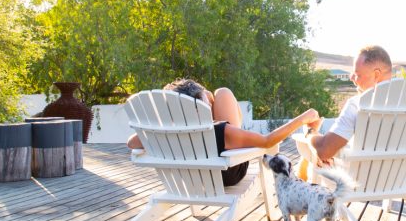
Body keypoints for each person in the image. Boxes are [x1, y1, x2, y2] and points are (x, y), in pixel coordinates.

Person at [127, 78, 320, 186]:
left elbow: (132, 143)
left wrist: (170, 121)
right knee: (223, 93)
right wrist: (303, 117)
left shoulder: (169, 133)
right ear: (203, 100)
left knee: (220, 94)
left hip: (191, 179)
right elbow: (267, 141)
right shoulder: (220, 131)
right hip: (227, 174)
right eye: (206, 98)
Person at [306, 45, 406, 165]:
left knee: (312, 160)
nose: (351, 77)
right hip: (396, 181)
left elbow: (324, 151)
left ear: (376, 75)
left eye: (357, 74)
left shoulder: (357, 105)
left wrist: (311, 132)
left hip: (354, 184)